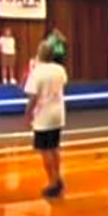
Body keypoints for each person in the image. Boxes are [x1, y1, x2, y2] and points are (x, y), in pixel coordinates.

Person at [24, 41, 68, 198]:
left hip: (43, 116)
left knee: (45, 150)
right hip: (58, 113)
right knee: (55, 147)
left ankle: (52, 182)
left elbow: (33, 96)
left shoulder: (37, 73)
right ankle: (58, 176)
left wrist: (27, 114)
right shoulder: (60, 70)